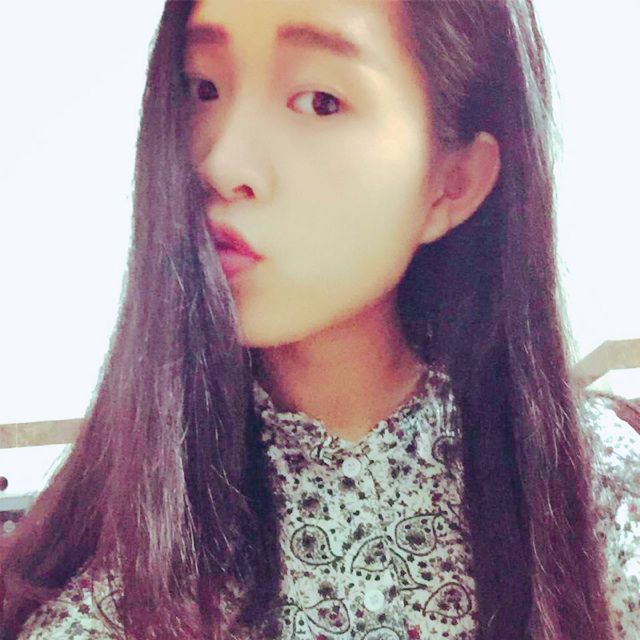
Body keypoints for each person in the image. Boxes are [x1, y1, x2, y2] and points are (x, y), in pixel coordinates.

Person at [1, 0, 638, 638]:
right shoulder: (104, 571)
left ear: (455, 180)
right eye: (204, 89)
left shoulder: (595, 496)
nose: (221, 162)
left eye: (319, 101)